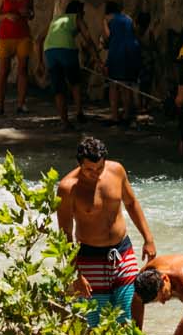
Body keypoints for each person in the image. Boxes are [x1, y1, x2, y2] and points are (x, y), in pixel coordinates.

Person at [57, 135, 157, 325]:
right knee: (93, 320)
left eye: (99, 168)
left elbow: (131, 203)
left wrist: (148, 238)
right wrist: (76, 274)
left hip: (122, 250)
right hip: (89, 256)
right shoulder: (67, 188)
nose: (95, 173)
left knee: (128, 313)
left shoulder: (116, 171)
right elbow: (65, 234)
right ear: (79, 164)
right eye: (89, 170)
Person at [44, 0, 86, 129]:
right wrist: (96, 58)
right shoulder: (76, 17)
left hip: (49, 50)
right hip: (67, 49)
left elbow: (39, 39)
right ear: (78, 11)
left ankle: (64, 121)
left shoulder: (55, 20)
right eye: (83, 12)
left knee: (59, 88)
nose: (84, 14)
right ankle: (79, 112)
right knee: (75, 82)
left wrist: (40, 62)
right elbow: (88, 37)